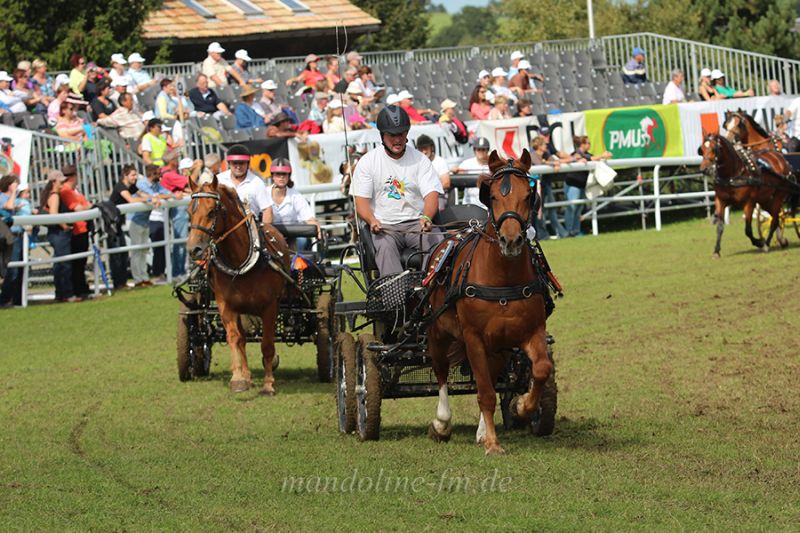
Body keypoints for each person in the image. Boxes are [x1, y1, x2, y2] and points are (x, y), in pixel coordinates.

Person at [352, 105, 443, 276]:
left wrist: (426, 217)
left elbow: (431, 194)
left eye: (401, 134)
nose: (397, 139)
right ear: (382, 135)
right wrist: (372, 220)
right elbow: (361, 202)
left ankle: (432, 288)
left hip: (417, 223)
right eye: (392, 135)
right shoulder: (368, 162)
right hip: (385, 227)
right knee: (385, 248)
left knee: (437, 242)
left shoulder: (421, 160)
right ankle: (396, 292)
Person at [40, 171, 79, 301]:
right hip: (59, 233)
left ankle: (61, 294)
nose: (63, 184)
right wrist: (65, 226)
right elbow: (54, 215)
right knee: (64, 263)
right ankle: (66, 294)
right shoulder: (54, 195)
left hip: (55, 233)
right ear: (53, 182)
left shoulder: (50, 194)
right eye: (60, 182)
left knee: (60, 264)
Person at [563, 136, 612, 237]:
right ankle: (569, 231)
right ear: (582, 144)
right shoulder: (576, 154)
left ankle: (575, 231)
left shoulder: (586, 154)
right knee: (572, 208)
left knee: (578, 209)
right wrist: (602, 155)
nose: (589, 145)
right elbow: (589, 158)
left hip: (581, 185)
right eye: (588, 143)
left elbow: (591, 158)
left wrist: (603, 157)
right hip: (573, 184)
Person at [108, 164, 147, 289]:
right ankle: (118, 283)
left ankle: (122, 282)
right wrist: (147, 200)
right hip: (111, 225)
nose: (135, 177)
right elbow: (131, 200)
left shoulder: (131, 186)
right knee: (116, 254)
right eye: (133, 175)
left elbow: (143, 195)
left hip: (119, 224)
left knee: (123, 253)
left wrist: (153, 198)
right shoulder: (120, 186)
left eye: (136, 175)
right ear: (125, 176)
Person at [267, 158, 319, 250]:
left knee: (302, 240)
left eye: (284, 174)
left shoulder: (296, 196)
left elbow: (309, 218)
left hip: (292, 237)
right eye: (278, 174)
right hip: (270, 236)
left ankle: (296, 258)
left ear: (289, 176)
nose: (281, 177)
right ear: (272, 176)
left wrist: (318, 229)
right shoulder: (264, 193)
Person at [160, 152, 196, 280]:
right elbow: (190, 182)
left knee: (180, 241)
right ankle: (177, 272)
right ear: (171, 161)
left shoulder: (168, 173)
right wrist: (196, 169)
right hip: (176, 210)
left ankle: (179, 271)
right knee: (180, 240)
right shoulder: (169, 174)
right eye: (176, 158)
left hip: (175, 210)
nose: (177, 160)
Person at [216, 144, 273, 223]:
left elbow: (267, 210)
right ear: (229, 163)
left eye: (241, 163)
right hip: (223, 225)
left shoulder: (257, 182)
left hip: (250, 225)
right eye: (235, 163)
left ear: (248, 164)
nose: (238, 166)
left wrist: (263, 229)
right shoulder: (219, 179)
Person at [60, 164, 92, 298]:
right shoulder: (66, 191)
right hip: (76, 230)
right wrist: (89, 206)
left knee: (80, 262)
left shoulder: (73, 190)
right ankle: (78, 289)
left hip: (82, 228)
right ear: (74, 176)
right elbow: (78, 208)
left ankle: (81, 287)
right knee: (77, 263)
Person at [137, 164, 172, 283]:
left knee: (162, 247)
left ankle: (161, 273)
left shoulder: (157, 184)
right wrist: (162, 196)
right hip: (149, 219)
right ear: (151, 174)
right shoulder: (142, 183)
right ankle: (156, 274)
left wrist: (165, 195)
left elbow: (166, 193)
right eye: (158, 173)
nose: (160, 176)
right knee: (156, 248)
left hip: (159, 219)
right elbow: (153, 195)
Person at [0, 175, 22, 306]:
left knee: (15, 269)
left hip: (15, 236)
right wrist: (13, 192)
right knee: (10, 269)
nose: (17, 186)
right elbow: (9, 206)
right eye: (15, 184)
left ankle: (10, 299)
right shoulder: (2, 197)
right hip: (7, 237)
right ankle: (4, 299)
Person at [415, 134, 451, 211]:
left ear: (431, 147)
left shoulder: (440, 161)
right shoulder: (416, 163)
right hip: (419, 197)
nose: (424, 151)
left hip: (438, 196)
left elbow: (446, 183)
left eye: (426, 148)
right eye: (421, 149)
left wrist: (430, 192)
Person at [453, 137, 490, 207]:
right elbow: (457, 174)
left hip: (487, 205)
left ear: (487, 150)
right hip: (469, 204)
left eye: (483, 149)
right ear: (474, 150)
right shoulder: (467, 163)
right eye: (478, 149)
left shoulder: (491, 165)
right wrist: (455, 171)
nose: (481, 152)